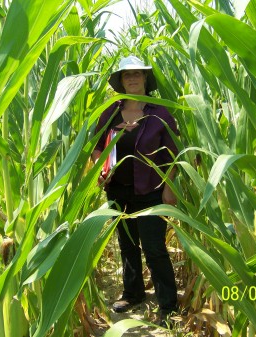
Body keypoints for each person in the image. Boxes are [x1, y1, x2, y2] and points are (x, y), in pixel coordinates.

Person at [91, 55, 179, 326]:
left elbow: (173, 154)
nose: (132, 78)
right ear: (121, 81)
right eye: (126, 75)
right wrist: (100, 169)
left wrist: (169, 188)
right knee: (128, 245)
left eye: (137, 74)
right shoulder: (111, 112)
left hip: (151, 191)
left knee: (154, 247)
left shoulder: (159, 113)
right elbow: (96, 148)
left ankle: (168, 304)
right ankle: (133, 293)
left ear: (145, 79)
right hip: (118, 190)